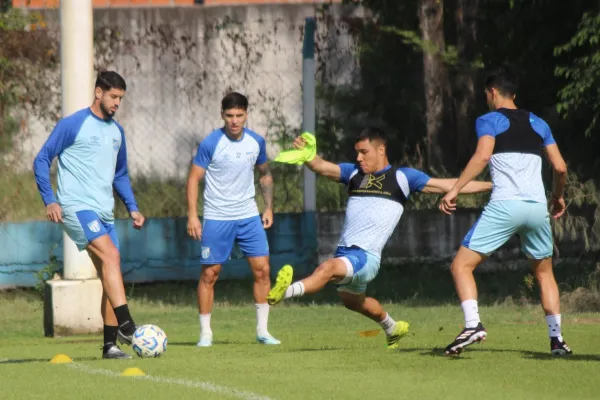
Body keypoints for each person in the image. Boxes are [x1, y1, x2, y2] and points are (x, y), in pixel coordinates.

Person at [267, 127, 492, 349]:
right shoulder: (354, 174)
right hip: (345, 253)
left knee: (326, 269)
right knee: (356, 302)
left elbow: (452, 184)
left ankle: (284, 293)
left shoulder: (402, 178)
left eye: (364, 152)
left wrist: (495, 186)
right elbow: (323, 167)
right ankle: (392, 328)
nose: (358, 157)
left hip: (365, 256)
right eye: (357, 152)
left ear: (381, 150)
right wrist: (309, 157)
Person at [439, 66, 571, 356]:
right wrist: (558, 197)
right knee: (544, 273)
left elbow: (483, 155)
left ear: (492, 92)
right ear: (515, 93)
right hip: (537, 209)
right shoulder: (539, 123)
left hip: (505, 206)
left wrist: (455, 188)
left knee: (461, 266)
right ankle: (557, 340)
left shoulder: (490, 119)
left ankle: (473, 325)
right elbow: (560, 167)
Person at [33, 71, 144, 359]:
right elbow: (42, 158)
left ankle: (110, 345)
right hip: (75, 205)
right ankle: (128, 325)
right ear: (99, 93)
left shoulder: (117, 132)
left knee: (111, 272)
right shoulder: (73, 124)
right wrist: (50, 200)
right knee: (111, 257)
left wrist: (132, 207)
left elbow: (120, 174)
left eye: (121, 98)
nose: (117, 103)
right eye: (113, 96)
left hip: (105, 211)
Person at [186, 92, 279, 347]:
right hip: (217, 217)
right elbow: (194, 178)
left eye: (239, 115)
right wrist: (193, 215)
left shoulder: (256, 142)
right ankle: (205, 333)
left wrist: (268, 207)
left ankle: (262, 331)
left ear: (246, 114)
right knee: (210, 274)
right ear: (222, 115)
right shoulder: (211, 143)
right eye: (230, 116)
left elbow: (265, 174)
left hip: (249, 216)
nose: (234, 121)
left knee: (263, 270)